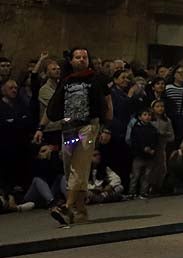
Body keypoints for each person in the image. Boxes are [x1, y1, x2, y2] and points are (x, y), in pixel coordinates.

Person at [45, 47, 112, 225]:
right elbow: (53, 106)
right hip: (69, 129)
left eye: (85, 57)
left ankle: (67, 207)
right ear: (71, 61)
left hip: (88, 128)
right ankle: (80, 211)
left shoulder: (96, 79)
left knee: (79, 164)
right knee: (70, 169)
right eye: (78, 57)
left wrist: (107, 127)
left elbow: (107, 103)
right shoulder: (66, 81)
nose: (82, 59)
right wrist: (41, 126)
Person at [127, 108, 159, 198]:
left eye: (149, 115)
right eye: (145, 115)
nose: (147, 117)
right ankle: (131, 192)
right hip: (139, 155)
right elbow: (134, 141)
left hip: (150, 156)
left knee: (147, 176)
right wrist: (143, 148)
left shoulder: (153, 129)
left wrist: (152, 149)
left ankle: (143, 192)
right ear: (140, 117)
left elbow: (156, 141)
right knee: (135, 175)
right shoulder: (136, 129)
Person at [148, 99, 175, 194]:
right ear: (152, 108)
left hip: (162, 147)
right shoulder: (149, 119)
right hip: (150, 147)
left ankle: (158, 187)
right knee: (150, 168)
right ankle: (148, 187)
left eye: (162, 106)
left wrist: (164, 134)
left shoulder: (167, 120)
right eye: (157, 106)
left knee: (162, 169)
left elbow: (172, 136)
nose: (160, 108)